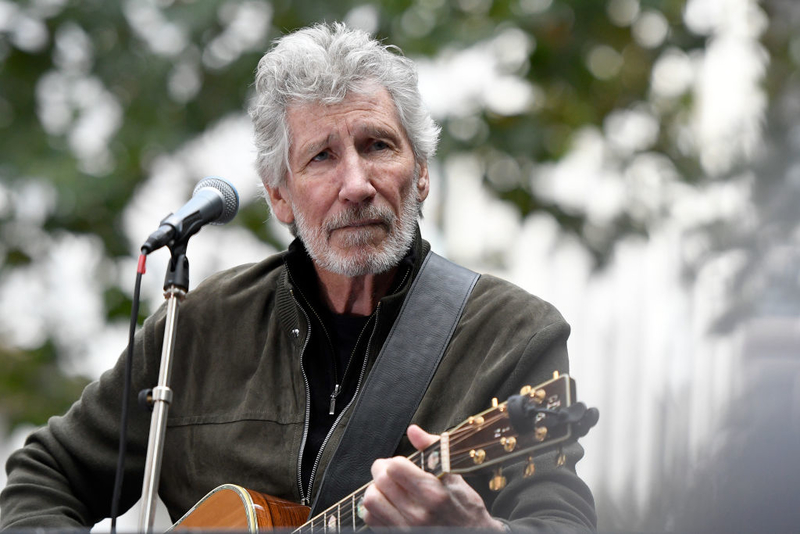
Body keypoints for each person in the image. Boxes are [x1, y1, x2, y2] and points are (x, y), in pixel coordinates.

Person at [0, 23, 596, 531]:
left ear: (420, 175)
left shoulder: (515, 335)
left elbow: (559, 520)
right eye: (322, 157)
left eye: (378, 146)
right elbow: (43, 476)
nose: (357, 184)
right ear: (279, 196)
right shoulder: (201, 326)